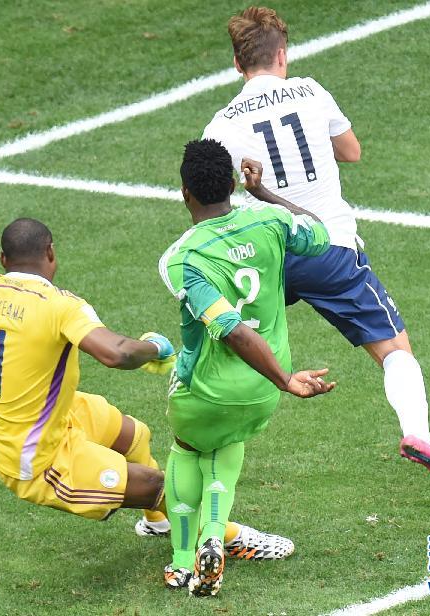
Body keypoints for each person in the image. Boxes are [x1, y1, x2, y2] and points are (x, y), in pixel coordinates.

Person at [0, 218, 289, 559]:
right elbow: (116, 354)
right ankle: (229, 537)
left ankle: (158, 523)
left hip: (51, 417)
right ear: (51, 254)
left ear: (2, 260)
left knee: (134, 435)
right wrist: (156, 347)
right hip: (37, 462)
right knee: (159, 484)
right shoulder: (61, 305)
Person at [201, 6, 430, 494]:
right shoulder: (311, 90)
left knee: (229, 344)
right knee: (393, 349)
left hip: (265, 259)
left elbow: (211, 200)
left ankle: (196, 464)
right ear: (282, 54)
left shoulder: (221, 123)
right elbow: (351, 151)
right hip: (330, 248)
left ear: (238, 65)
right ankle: (417, 434)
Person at [159, 139, 336, 597]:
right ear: (236, 182)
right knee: (227, 447)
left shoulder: (182, 259)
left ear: (185, 192)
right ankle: (214, 537)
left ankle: (181, 562)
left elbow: (231, 330)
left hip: (208, 391)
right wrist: (267, 195)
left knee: (185, 447)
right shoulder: (271, 221)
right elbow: (318, 231)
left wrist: (286, 381)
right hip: (261, 391)